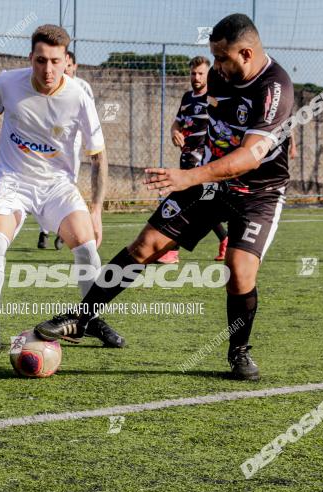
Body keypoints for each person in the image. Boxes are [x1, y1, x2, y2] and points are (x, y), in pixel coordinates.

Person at [33, 13, 294, 381]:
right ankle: (81, 317)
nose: (214, 67)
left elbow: (250, 155)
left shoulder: (275, 88)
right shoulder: (220, 76)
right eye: (213, 58)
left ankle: (239, 351)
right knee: (145, 245)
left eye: (222, 58)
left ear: (247, 54)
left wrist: (187, 175)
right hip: (209, 182)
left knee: (238, 270)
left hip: (258, 193)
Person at [0, 24, 124, 355]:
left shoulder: (79, 96)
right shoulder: (8, 82)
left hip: (57, 185)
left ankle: (90, 319)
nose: (48, 69)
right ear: (31, 58)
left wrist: (96, 211)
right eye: (41, 60)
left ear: (66, 59)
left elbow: (99, 158)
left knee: (86, 246)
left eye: (55, 61)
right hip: (13, 179)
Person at [158, 56, 229, 264]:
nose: (196, 77)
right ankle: (225, 239)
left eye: (200, 73)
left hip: (202, 162)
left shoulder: (212, 98)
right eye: (193, 73)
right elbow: (177, 123)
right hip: (186, 158)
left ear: (208, 75)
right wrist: (174, 132)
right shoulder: (187, 97)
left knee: (185, 202)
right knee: (201, 204)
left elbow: (222, 122)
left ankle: (173, 250)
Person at [37, 50, 94, 251]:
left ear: (74, 66)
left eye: (69, 65)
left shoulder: (82, 87)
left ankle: (63, 231)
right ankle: (44, 231)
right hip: (49, 144)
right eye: (64, 64)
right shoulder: (49, 85)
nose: (66, 69)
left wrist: (89, 142)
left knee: (68, 183)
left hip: (73, 144)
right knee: (44, 183)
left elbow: (90, 118)